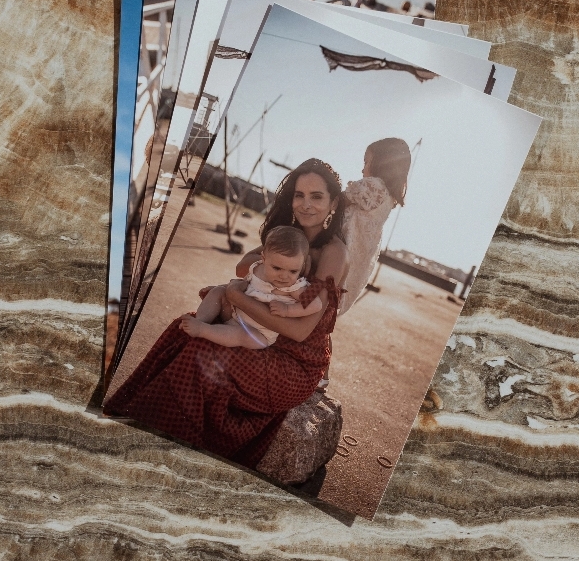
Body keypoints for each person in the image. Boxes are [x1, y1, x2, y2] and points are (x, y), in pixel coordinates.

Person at [103, 158, 348, 469]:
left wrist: (235, 296)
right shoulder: (287, 237)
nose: (306, 204)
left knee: (202, 354)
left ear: (333, 202)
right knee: (183, 330)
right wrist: (251, 275)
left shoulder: (333, 253)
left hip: (293, 358)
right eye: (299, 195)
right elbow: (243, 268)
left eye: (317, 196)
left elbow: (300, 331)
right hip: (256, 326)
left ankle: (164, 453)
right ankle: (138, 424)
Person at [179, 226, 322, 349]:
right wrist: (222, 287)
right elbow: (244, 285)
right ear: (263, 259)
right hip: (235, 313)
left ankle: (203, 330)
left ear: (302, 266)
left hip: (258, 332)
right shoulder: (257, 268)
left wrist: (288, 310)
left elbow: (316, 304)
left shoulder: (295, 286)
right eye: (277, 268)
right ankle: (200, 320)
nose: (284, 276)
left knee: (241, 335)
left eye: (293, 271)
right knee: (218, 291)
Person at [338, 137, 411, 315]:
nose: (362, 169)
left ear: (381, 163)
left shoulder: (373, 186)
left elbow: (336, 202)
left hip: (340, 249)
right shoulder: (389, 198)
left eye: (366, 162)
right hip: (356, 258)